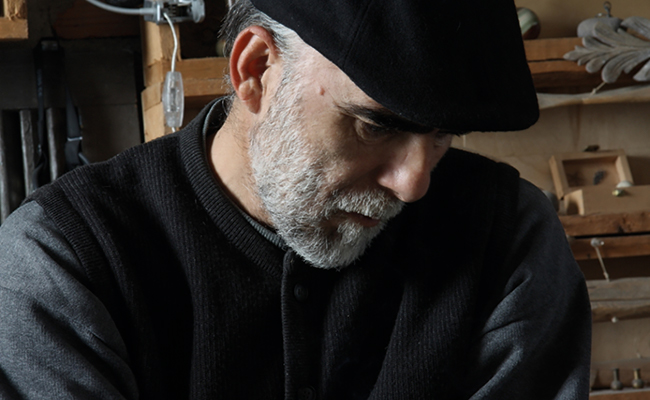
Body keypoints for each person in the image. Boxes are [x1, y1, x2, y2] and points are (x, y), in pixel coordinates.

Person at [0, 0, 591, 398]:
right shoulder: (64, 260)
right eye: (374, 126)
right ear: (255, 69)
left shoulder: (507, 235)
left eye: (442, 136)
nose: (414, 184)